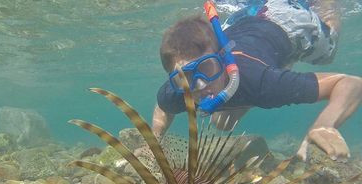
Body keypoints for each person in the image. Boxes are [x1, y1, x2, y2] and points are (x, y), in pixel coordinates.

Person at [152, 0, 362, 162]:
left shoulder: (261, 82)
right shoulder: (179, 92)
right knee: (222, 123)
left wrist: (323, 126)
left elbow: (351, 83)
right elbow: (163, 106)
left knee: (328, 54)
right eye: (184, 78)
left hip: (285, 22)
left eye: (206, 67)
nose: (199, 85)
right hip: (241, 22)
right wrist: (156, 141)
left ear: (223, 58)